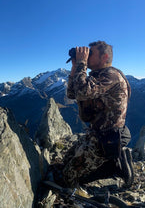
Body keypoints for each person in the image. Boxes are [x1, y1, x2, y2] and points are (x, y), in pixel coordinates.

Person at [59, 40, 133, 188]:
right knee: (65, 161)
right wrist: (75, 66)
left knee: (67, 177)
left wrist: (81, 63)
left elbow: (82, 92)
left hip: (107, 138)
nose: (86, 56)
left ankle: (115, 166)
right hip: (96, 134)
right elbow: (72, 93)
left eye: (90, 53)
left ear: (104, 57)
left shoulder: (111, 76)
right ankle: (110, 163)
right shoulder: (98, 76)